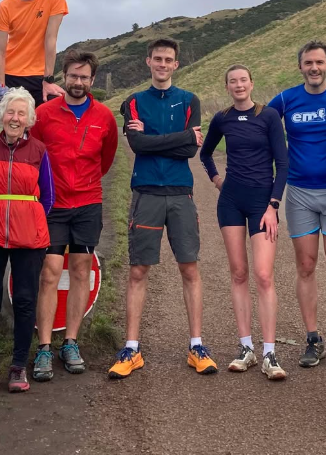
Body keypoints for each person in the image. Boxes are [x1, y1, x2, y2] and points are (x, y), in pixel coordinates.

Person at [109, 37, 217, 379]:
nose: (163, 64)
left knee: (189, 268)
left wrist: (153, 141)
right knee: (138, 270)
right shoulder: (134, 101)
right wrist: (180, 138)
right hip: (146, 193)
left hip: (181, 192)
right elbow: (137, 145)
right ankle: (132, 348)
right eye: (157, 58)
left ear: (176, 64)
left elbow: (190, 151)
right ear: (148, 61)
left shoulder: (189, 100)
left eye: (168, 60)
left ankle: (197, 346)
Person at [267, 40, 326, 368]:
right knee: (305, 266)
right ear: (301, 67)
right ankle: (312, 339)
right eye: (308, 63)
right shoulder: (285, 99)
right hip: (300, 193)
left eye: (320, 62)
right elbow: (261, 123)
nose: (314, 68)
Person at [29, 50, 118, 381]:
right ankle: (43, 347)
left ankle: (70, 342)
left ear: (92, 80)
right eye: (73, 76)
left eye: (84, 77)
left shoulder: (104, 117)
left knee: (81, 270)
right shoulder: (43, 114)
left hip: (88, 204)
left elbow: (106, 159)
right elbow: (34, 156)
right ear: (63, 77)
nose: (78, 82)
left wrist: (85, 183)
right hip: (52, 205)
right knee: (49, 273)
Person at [200, 65, 289, 380]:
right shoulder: (221, 118)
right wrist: (216, 180)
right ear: (227, 87)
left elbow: (283, 163)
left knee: (263, 275)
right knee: (238, 273)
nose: (238, 85)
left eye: (243, 80)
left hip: (262, 204)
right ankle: (246, 348)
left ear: (252, 84)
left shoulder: (268, 116)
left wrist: (273, 205)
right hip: (231, 203)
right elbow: (205, 153)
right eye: (232, 81)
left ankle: (269, 353)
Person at [0, 87, 54, 394]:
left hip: (28, 237)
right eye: (10, 112)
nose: (15, 118)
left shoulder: (39, 150)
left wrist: (29, 220)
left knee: (25, 300)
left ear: (30, 119)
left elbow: (48, 196)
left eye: (21, 113)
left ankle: (19, 365)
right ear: (1, 116)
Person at [0, 0, 69, 108]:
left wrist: (48, 80)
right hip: (11, 75)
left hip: (40, 76)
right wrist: (1, 86)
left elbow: (50, 39)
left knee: (52, 113)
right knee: (12, 120)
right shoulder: (5, 6)